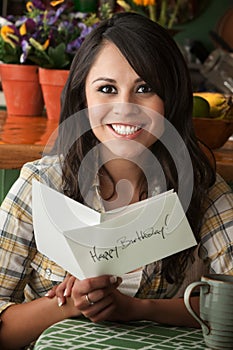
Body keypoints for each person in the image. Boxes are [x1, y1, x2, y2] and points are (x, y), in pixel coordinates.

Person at [0, 11, 232, 349]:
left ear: (171, 99)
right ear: (83, 98)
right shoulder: (40, 187)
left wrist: (137, 309)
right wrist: (67, 303)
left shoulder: (203, 189)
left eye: (145, 88)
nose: (125, 106)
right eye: (107, 89)